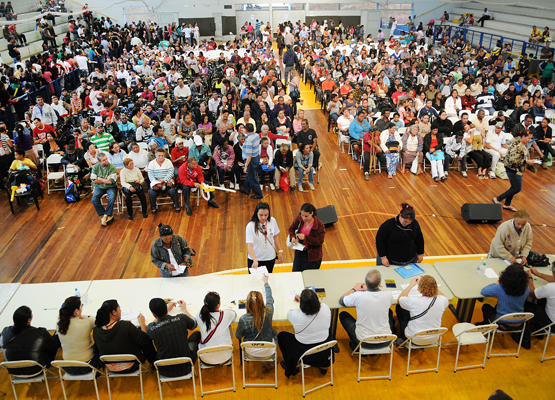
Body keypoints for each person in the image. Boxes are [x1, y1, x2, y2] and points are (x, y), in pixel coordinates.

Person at [278, 289, 332, 378]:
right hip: (324, 350)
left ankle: (292, 366)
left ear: (302, 305)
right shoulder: (325, 308)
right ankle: (324, 365)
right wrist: (306, 300)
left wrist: (302, 301)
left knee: (282, 336)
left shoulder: (295, 315)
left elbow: (289, 314)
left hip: (305, 354)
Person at [338, 269, 396, 351]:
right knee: (389, 312)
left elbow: (341, 300)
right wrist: (367, 289)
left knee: (343, 315)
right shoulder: (388, 295)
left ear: (366, 282)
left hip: (364, 341)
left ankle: (355, 345)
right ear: (379, 284)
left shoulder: (358, 296)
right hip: (386, 341)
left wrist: (354, 289)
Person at [93, 299, 156, 373]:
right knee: (143, 336)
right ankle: (153, 362)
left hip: (111, 367)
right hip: (132, 365)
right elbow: (145, 339)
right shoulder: (125, 325)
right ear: (114, 312)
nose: (120, 311)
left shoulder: (96, 330)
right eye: (119, 309)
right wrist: (142, 323)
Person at [478, 264, 531, 349]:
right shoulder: (526, 288)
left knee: (486, 306)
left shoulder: (500, 287)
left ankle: (488, 328)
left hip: (501, 323)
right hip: (519, 323)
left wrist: (495, 283)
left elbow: (483, 291)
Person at [1, 306, 61, 375]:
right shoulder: (40, 332)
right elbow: (54, 346)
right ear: (29, 320)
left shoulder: (5, 331)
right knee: (51, 343)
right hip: (35, 369)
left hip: (13, 370)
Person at [146, 298, 198, 377]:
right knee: (196, 334)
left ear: (153, 314)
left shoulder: (151, 329)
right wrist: (184, 310)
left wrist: (162, 312)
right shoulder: (182, 318)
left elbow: (152, 327)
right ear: (165, 308)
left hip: (164, 370)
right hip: (187, 365)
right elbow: (194, 324)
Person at [235, 274, 277, 371]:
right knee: (274, 332)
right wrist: (266, 283)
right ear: (262, 302)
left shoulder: (243, 319)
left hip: (251, 351)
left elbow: (238, 335)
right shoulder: (268, 312)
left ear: (247, 304)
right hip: (268, 350)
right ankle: (268, 361)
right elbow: (269, 298)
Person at [396, 275, 449, 344]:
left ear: (420, 288)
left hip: (415, 337)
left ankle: (403, 338)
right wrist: (431, 284)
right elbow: (443, 296)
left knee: (400, 308)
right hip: (434, 337)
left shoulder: (414, 301)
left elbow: (400, 299)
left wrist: (411, 285)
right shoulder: (442, 300)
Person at [493, 131, 536, 211]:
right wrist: (526, 161)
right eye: (529, 138)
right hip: (513, 169)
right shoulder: (516, 145)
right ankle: (498, 199)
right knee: (517, 188)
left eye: (531, 138)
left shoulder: (524, 144)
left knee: (514, 187)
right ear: (523, 136)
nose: (530, 140)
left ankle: (507, 204)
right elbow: (513, 160)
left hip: (519, 168)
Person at [190, 292, 236, 365]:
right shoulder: (226, 314)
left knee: (197, 334)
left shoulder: (199, 314)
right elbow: (234, 313)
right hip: (225, 356)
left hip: (206, 358)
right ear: (218, 305)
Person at [57, 296, 100, 374]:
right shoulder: (86, 323)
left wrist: (78, 316)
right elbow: (97, 320)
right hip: (87, 366)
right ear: (76, 311)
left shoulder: (59, 325)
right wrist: (83, 316)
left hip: (68, 367)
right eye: (81, 306)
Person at [246, 202, 284, 273]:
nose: (263, 217)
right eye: (261, 215)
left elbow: (276, 236)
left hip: (270, 258)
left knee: (267, 278)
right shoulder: (250, 226)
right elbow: (250, 246)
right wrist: (255, 260)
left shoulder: (272, 221)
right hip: (255, 259)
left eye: (266, 215)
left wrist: (280, 251)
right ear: (256, 213)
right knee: (254, 279)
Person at [288, 203, 325, 272]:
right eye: (302, 215)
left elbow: (320, 241)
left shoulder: (320, 225)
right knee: (296, 274)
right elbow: (291, 228)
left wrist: (305, 238)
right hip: (300, 253)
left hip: (313, 257)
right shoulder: (299, 219)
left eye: (306, 216)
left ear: (312, 213)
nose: (304, 218)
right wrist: (293, 237)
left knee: (310, 277)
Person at [148, 147, 181, 213]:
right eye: (159, 155)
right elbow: (150, 175)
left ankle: (177, 205)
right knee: (151, 193)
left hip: (166, 181)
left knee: (172, 191)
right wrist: (156, 182)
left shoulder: (168, 162)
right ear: (155, 155)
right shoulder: (151, 163)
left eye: (162, 155)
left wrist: (163, 180)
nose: (161, 157)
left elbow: (170, 173)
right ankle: (153, 207)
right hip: (156, 182)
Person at [91, 152, 118, 227]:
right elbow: (94, 180)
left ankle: (106, 215)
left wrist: (99, 178)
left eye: (106, 159)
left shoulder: (111, 167)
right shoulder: (95, 167)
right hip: (99, 187)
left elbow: (110, 181)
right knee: (94, 199)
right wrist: (105, 180)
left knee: (112, 197)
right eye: (104, 160)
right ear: (99, 161)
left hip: (111, 187)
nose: (106, 161)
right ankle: (105, 215)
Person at [526, 264, 555, 333]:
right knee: (542, 299)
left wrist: (529, 277)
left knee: (525, 304)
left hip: (551, 324)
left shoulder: (551, 287)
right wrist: (538, 274)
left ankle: (526, 332)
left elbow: (531, 293)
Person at [240, 123, 264, 199]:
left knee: (253, 177)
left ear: (246, 130)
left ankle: (259, 194)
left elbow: (249, 155)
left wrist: (246, 166)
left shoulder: (249, 140)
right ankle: (246, 190)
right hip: (256, 157)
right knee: (250, 175)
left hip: (251, 160)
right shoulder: (256, 135)